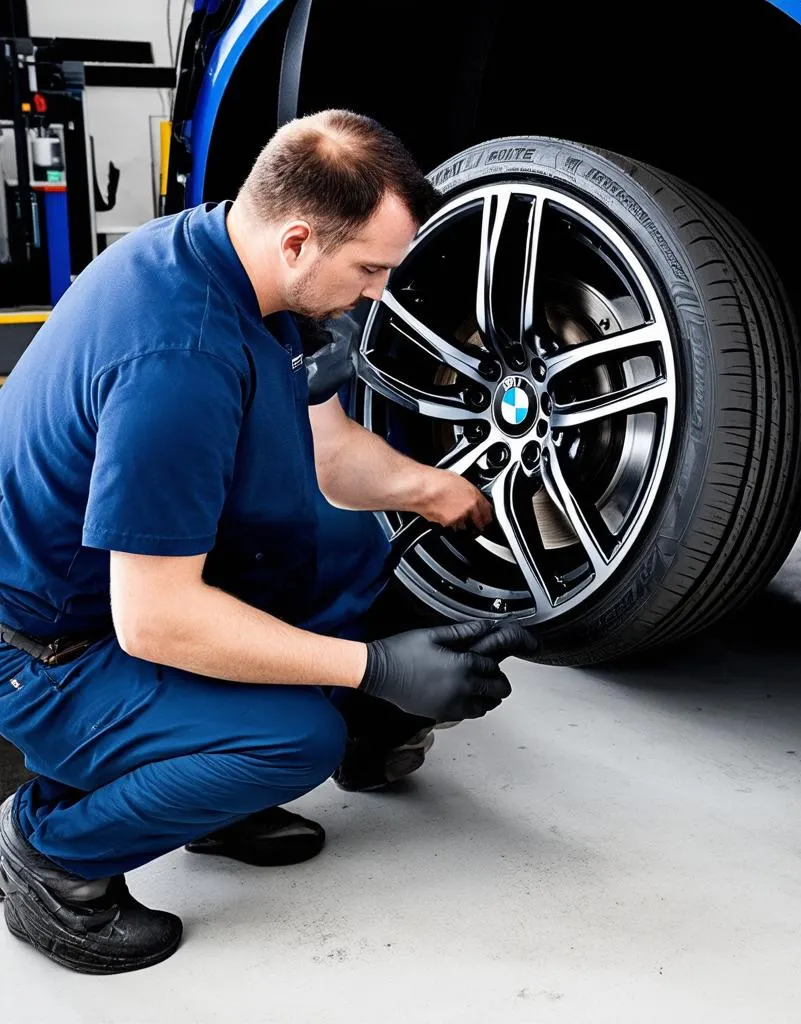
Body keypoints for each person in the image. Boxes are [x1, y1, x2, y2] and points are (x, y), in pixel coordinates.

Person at [0, 109, 536, 975]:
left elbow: (330, 453)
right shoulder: (178, 360)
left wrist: (445, 494)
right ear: (298, 239)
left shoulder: (237, 264)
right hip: (47, 651)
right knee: (294, 738)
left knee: (350, 558)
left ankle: (206, 799)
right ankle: (53, 854)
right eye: (370, 269)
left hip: (110, 602)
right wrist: (377, 669)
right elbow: (157, 622)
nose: (378, 293)